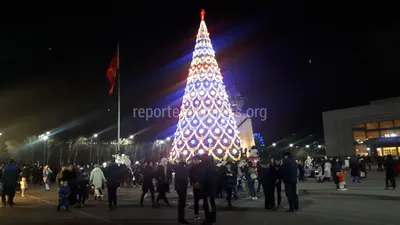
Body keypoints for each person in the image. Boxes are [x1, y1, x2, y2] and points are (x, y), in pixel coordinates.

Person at [170, 155, 190, 224]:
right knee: (182, 202)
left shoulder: (185, 166)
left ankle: (181, 218)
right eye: (183, 158)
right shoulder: (178, 166)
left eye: (185, 158)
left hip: (183, 186)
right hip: (180, 186)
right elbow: (181, 176)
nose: (184, 159)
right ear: (180, 159)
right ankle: (181, 219)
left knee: (182, 202)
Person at [199, 155, 218, 225]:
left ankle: (208, 219)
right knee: (212, 203)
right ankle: (213, 219)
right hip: (212, 188)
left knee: (207, 204)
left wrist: (200, 182)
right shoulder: (213, 167)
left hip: (207, 188)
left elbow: (203, 177)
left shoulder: (206, 167)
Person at [190, 155, 202, 220]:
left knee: (205, 200)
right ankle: (196, 214)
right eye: (194, 160)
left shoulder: (202, 167)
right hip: (195, 186)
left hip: (201, 185)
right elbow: (191, 176)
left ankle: (207, 214)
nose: (195, 161)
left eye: (196, 160)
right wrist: (194, 183)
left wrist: (200, 182)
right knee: (196, 201)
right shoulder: (192, 167)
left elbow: (203, 175)